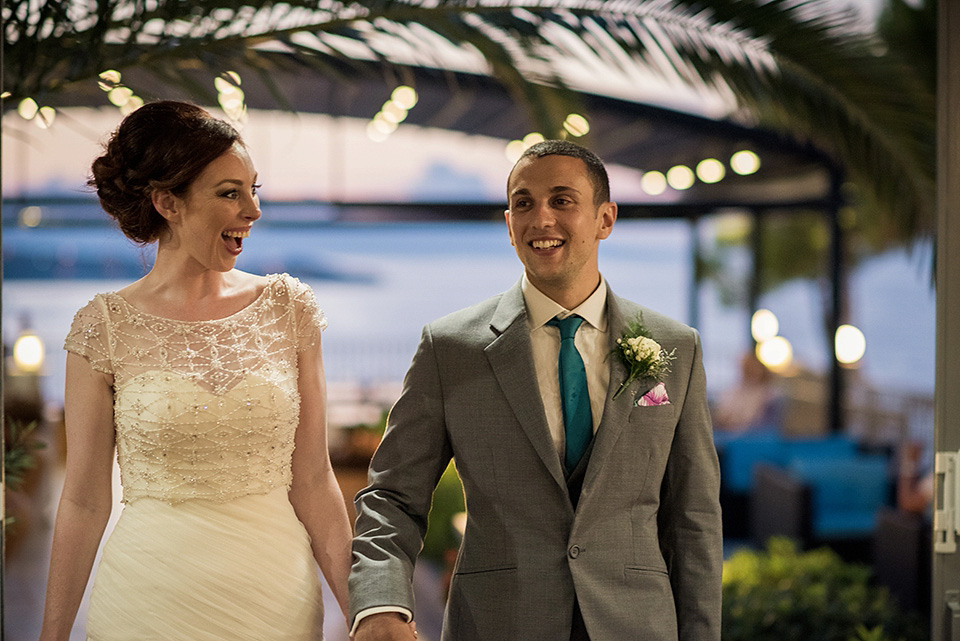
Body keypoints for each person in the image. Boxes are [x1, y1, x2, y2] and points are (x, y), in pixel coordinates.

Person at [349, 140, 722, 641]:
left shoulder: (675, 347)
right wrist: (380, 604)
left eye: (562, 200)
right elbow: (393, 495)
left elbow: (692, 519)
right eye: (524, 203)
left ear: (605, 219)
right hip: (498, 622)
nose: (541, 218)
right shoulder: (451, 348)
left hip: (635, 623)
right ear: (509, 225)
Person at [38, 101, 352, 641]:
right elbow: (85, 501)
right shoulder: (103, 327)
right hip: (144, 599)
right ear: (167, 203)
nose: (252, 210)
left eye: (254, 190)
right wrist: (52, 634)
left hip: (275, 598)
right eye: (230, 193)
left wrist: (365, 611)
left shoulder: (289, 308)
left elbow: (314, 480)